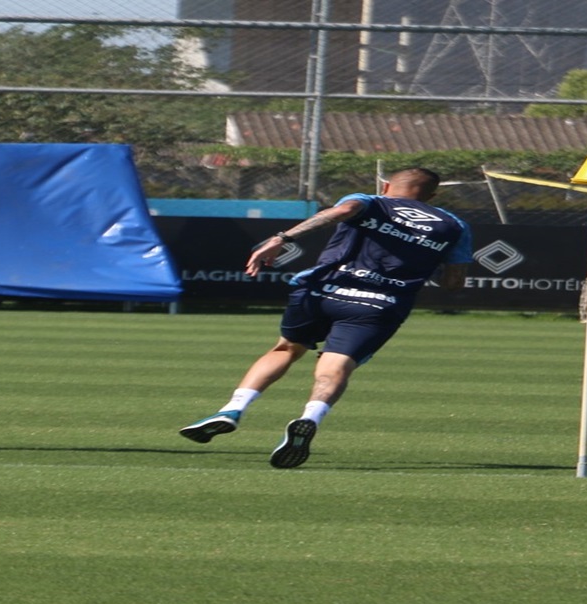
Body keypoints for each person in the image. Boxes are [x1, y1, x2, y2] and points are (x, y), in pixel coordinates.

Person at [178, 167, 473, 468]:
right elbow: (453, 284)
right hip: (379, 304)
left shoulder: (369, 201)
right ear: (432, 196)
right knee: (336, 365)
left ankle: (232, 409)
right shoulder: (455, 226)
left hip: (321, 292)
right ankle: (310, 418)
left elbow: (339, 212)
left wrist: (282, 238)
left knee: (286, 348)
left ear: (386, 186)